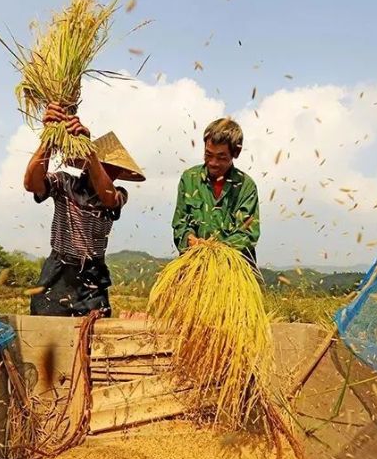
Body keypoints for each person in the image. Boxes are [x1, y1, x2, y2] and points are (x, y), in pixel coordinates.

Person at [24, 103, 145, 317]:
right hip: (58, 272)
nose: (112, 174)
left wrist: (92, 155)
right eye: (109, 167)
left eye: (115, 170)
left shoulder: (118, 194)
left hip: (92, 278)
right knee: (46, 334)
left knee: (91, 340)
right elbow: (31, 184)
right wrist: (49, 139)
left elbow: (108, 198)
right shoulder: (64, 183)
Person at [172, 118, 260, 263]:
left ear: (236, 153)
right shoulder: (189, 179)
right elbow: (180, 223)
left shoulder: (246, 186)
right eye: (208, 154)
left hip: (233, 269)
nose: (213, 163)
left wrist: (215, 250)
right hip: (194, 265)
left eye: (221, 157)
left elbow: (247, 233)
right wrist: (190, 240)